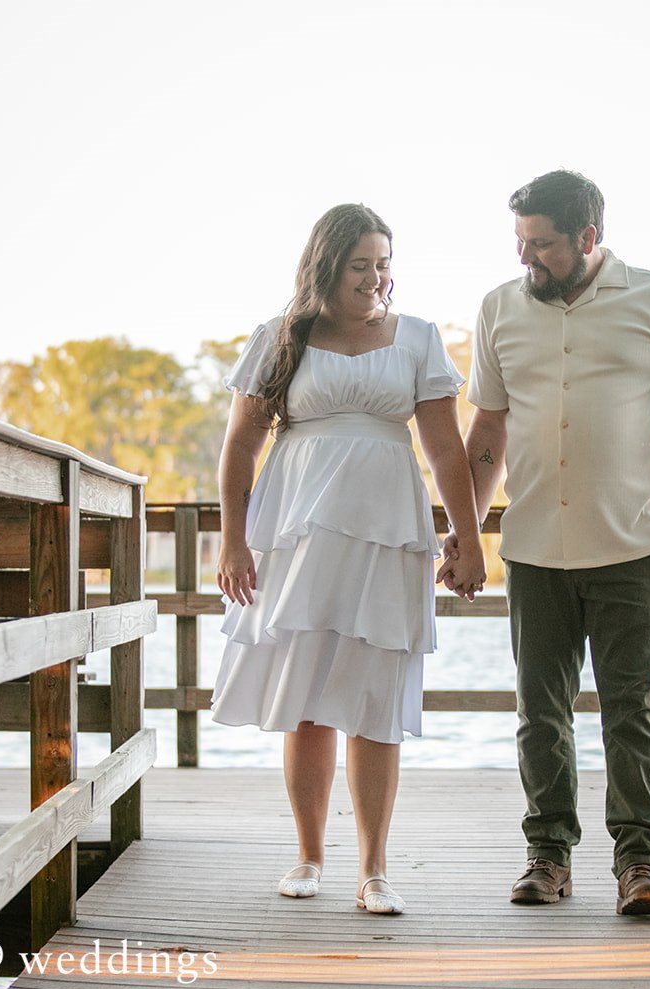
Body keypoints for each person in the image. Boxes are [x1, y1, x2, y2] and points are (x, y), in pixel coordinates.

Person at [439, 170, 650, 917]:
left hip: (631, 544)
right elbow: (488, 432)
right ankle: (548, 854)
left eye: (542, 245)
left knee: (631, 707)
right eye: (520, 243)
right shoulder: (500, 308)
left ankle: (639, 862)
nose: (526, 258)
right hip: (534, 545)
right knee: (541, 711)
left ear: (589, 238)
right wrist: (464, 537)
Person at [213, 203, 486, 916]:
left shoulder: (419, 338)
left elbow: (445, 449)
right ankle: (308, 854)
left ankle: (374, 869)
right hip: (300, 528)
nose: (375, 278)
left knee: (374, 698)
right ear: (326, 266)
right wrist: (233, 538)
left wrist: (470, 536)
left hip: (388, 528)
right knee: (306, 698)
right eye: (360, 265)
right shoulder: (281, 338)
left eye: (384, 264)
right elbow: (241, 444)